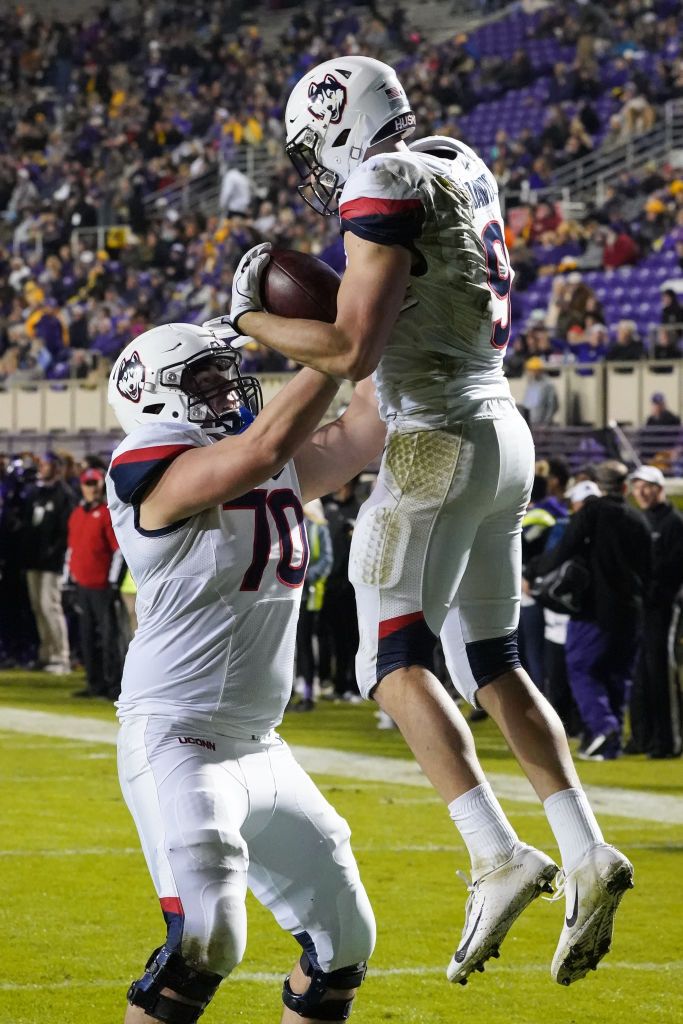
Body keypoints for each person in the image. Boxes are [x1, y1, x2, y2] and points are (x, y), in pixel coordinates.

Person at [213, 55, 634, 987]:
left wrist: (252, 321)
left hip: (435, 439)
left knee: (389, 659)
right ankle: (586, 847)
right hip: (498, 429)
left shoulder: (382, 178)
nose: (318, 170)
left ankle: (497, 852)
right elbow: (367, 394)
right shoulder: (457, 163)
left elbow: (352, 345)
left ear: (339, 124)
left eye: (314, 145)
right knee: (493, 660)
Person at [106, 321, 384, 1024]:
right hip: (178, 736)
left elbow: (366, 429)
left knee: (346, 945)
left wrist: (385, 321)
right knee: (207, 943)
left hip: (262, 743)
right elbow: (261, 450)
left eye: (224, 370)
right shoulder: (145, 461)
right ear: (150, 395)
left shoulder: (265, 455)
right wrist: (339, 348)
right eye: (202, 377)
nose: (226, 385)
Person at [529, 461, 651, 761]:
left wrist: (532, 572)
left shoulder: (590, 514)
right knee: (618, 675)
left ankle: (604, 728)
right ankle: (609, 745)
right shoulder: (639, 520)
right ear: (624, 487)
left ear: (597, 485)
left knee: (582, 668)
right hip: (631, 612)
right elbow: (649, 570)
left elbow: (562, 552)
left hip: (593, 611)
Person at [628, 465, 683, 758]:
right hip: (642, 610)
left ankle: (669, 742)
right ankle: (642, 738)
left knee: (661, 674)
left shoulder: (674, 523)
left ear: (660, 488)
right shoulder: (641, 520)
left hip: (664, 609)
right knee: (641, 677)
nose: (642, 492)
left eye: (647, 486)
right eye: (637, 487)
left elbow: (671, 572)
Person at [64, 466, 124, 699]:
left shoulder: (108, 513)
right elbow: (71, 549)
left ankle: (114, 685)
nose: (92, 488)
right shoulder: (78, 513)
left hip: (101, 586)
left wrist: (112, 583)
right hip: (82, 585)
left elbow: (118, 551)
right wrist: (68, 581)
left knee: (109, 637)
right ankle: (94, 682)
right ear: (82, 487)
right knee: (87, 636)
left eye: (95, 484)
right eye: (88, 484)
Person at [20, 451, 75, 674]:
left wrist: (56, 554)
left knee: (50, 606)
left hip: (52, 561)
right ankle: (46, 652)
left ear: (57, 468)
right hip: (34, 558)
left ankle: (61, 656)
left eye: (47, 464)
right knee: (37, 607)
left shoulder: (64, 495)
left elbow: (64, 531)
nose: (42, 468)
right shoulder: (36, 492)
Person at [293, 498, 333, 711]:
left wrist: (307, 576)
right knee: (289, 649)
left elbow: (327, 559)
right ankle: (289, 695)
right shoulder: (287, 523)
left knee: (306, 647)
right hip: (290, 596)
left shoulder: (318, 527)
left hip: (308, 597)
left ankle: (309, 695)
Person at [522, 357, 559, 426]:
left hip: (542, 425)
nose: (530, 373)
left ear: (537, 370)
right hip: (531, 423)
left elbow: (553, 405)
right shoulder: (531, 383)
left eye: (531, 370)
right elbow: (528, 404)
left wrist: (546, 423)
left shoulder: (548, 384)